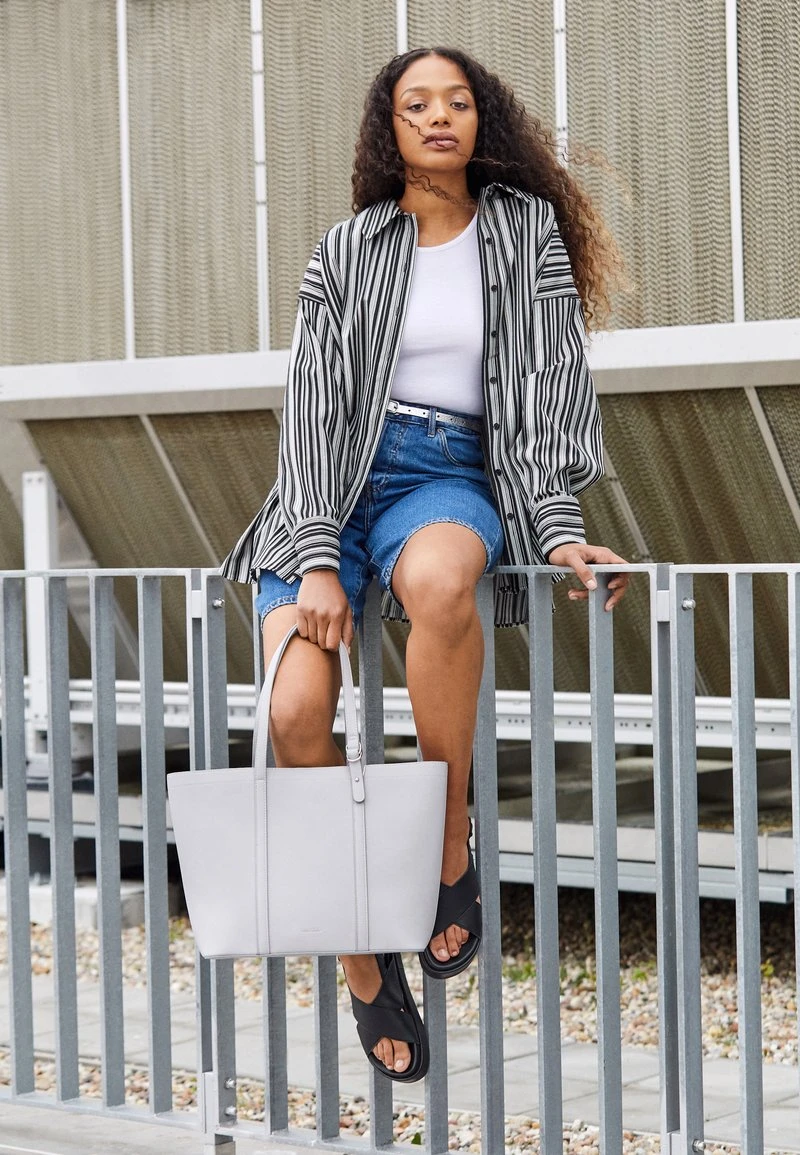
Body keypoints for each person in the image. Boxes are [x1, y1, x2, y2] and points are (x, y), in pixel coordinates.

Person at [221, 46, 630, 1082]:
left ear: (480, 121)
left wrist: (555, 527)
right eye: (416, 104)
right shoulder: (347, 248)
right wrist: (318, 555)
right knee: (293, 716)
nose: (438, 116)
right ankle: (363, 961)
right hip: (328, 487)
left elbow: (545, 388)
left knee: (446, 581)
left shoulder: (524, 234)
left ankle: (448, 845)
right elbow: (311, 407)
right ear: (389, 127)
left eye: (456, 101)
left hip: (445, 470)